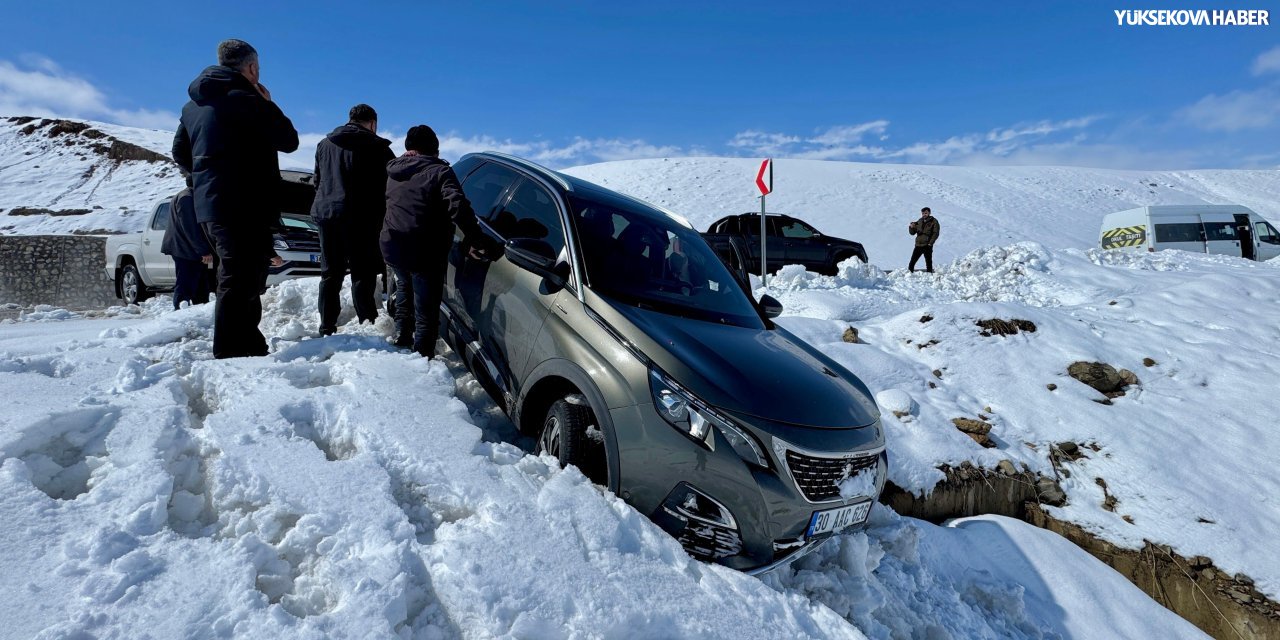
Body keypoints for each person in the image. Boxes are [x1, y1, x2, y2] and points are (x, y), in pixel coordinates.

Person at [171, 39, 299, 358]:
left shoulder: (192, 106)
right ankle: (232, 353)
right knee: (239, 278)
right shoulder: (246, 98)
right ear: (252, 68)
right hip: (244, 204)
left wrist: (204, 181)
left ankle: (247, 345)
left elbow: (179, 152)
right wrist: (268, 103)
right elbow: (289, 140)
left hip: (211, 207)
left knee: (242, 273)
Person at [380, 125, 494, 357]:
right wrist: (475, 237)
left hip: (393, 245)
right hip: (423, 251)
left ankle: (402, 335)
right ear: (435, 148)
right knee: (426, 309)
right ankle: (422, 358)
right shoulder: (439, 171)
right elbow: (457, 205)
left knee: (404, 285)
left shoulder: (394, 171)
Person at [311, 104, 395, 336]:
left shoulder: (324, 144)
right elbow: (389, 188)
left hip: (328, 216)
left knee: (330, 273)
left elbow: (317, 181)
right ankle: (366, 322)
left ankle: (327, 325)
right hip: (364, 219)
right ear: (372, 123)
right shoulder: (379, 148)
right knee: (363, 273)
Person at [160, 177, 215, 309]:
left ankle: (198, 313)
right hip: (185, 250)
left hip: (187, 249)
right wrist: (203, 250)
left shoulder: (186, 196)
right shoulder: (187, 198)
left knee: (200, 286)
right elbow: (190, 228)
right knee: (185, 285)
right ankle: (180, 314)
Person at [908, 206, 940, 273]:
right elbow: (912, 233)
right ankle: (909, 274)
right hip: (918, 244)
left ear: (929, 213)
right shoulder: (920, 221)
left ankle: (929, 275)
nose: (924, 215)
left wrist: (930, 243)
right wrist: (911, 227)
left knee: (928, 262)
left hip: (927, 245)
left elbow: (935, 233)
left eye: (925, 213)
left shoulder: (934, 221)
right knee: (912, 261)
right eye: (923, 213)